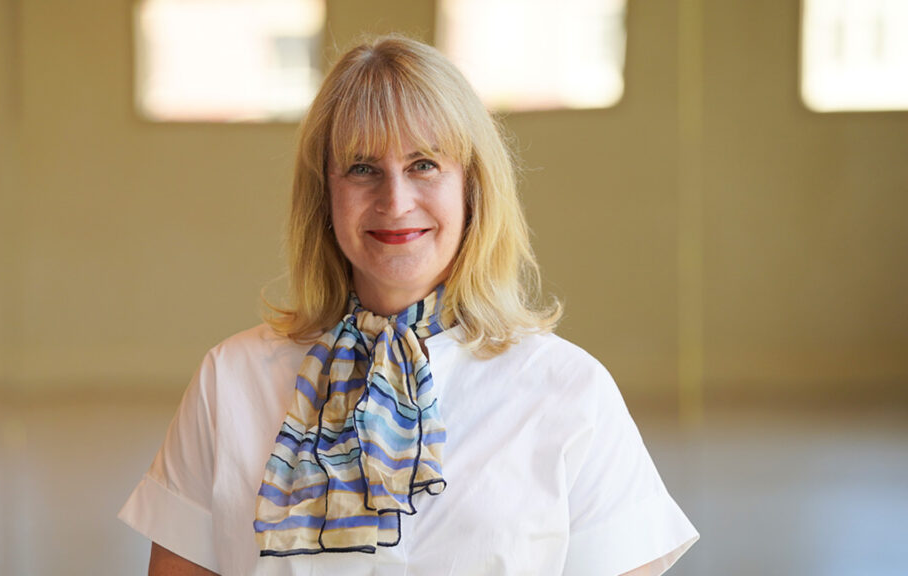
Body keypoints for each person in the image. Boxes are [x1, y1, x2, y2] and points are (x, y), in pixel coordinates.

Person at [119, 35, 698, 576]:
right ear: (325, 194)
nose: (395, 202)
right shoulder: (229, 380)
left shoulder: (569, 390)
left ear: (471, 189)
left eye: (424, 164)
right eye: (363, 169)